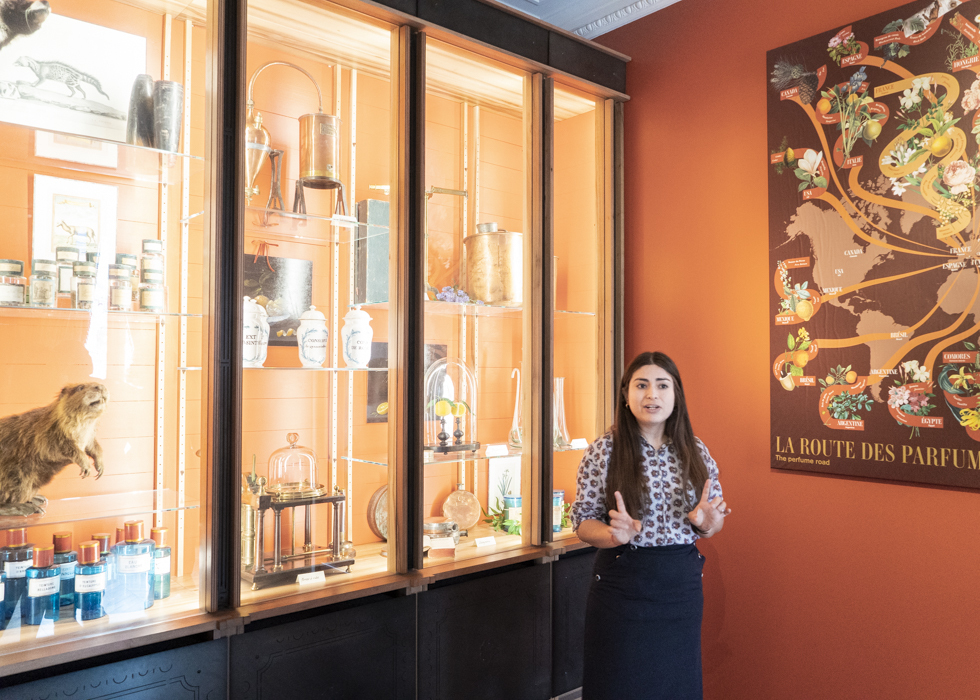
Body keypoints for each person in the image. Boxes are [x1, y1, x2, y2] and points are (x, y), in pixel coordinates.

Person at [571, 351, 730, 700]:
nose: (652, 395)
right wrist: (612, 535)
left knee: (676, 685)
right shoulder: (604, 450)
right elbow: (582, 521)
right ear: (626, 395)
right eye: (641, 385)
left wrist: (707, 526)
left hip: (680, 587)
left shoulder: (695, 450)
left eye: (662, 385)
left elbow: (712, 522)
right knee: (618, 685)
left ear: (676, 394)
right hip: (622, 586)